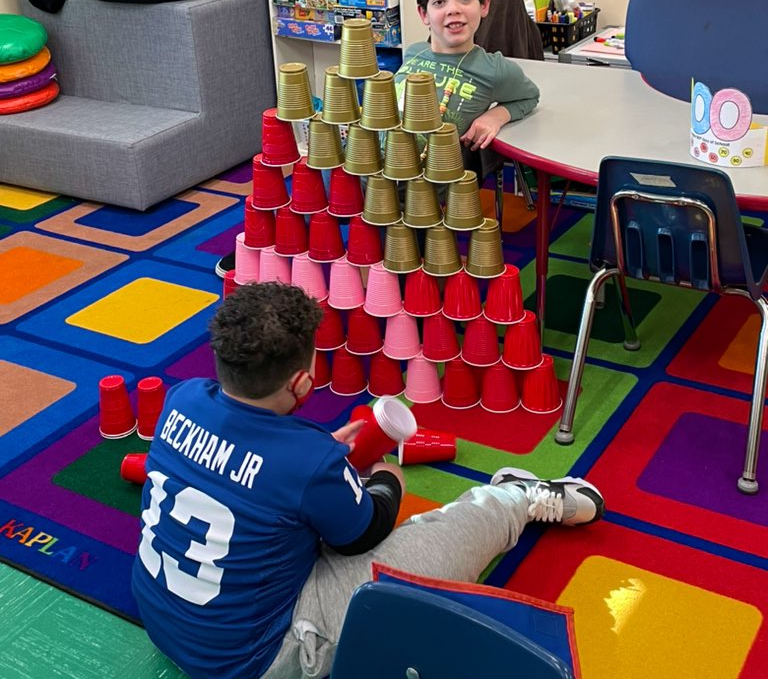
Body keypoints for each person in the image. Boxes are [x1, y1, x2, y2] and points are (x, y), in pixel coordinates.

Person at [132, 283, 604, 679]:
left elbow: (256, 465)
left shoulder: (182, 398)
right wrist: (386, 479)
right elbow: (365, 533)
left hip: (163, 621)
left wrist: (322, 462)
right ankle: (514, 498)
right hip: (259, 661)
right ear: (301, 383)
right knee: (427, 544)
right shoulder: (307, 460)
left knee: (286, 523)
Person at [394, 0, 540, 151]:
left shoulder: (493, 69)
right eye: (439, 2)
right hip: (368, 171)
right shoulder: (414, 51)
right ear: (423, 13)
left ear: (484, 4)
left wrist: (495, 117)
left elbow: (530, 96)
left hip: (432, 180)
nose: (453, 9)